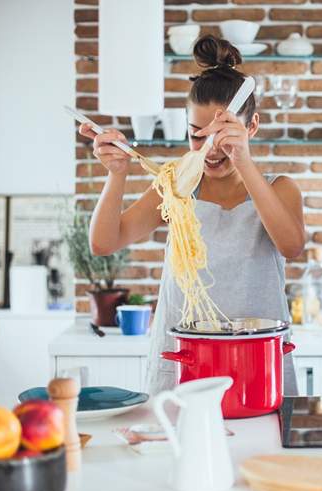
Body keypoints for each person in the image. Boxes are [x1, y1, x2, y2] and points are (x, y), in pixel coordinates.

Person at [79, 36, 305, 394]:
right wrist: (117, 173)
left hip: (258, 357)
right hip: (185, 356)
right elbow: (103, 242)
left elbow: (292, 246)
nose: (209, 150)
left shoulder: (280, 189)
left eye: (222, 135)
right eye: (196, 136)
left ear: (252, 127)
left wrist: (243, 161)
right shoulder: (177, 187)